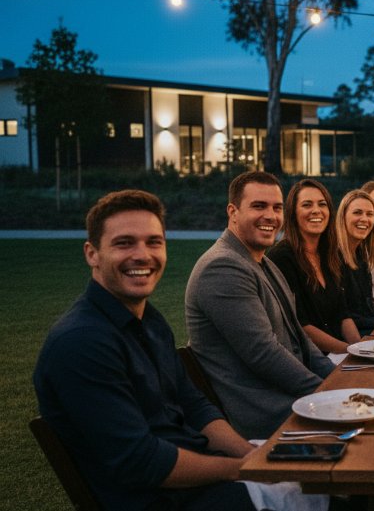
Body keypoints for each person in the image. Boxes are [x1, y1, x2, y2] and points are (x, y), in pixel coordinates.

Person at [33, 189, 325, 511]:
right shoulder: (81, 343)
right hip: (166, 498)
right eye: (124, 243)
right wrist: (242, 469)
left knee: (326, 459)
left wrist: (247, 454)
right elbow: (143, 462)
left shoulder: (149, 320)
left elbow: (194, 405)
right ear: (92, 253)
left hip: (200, 471)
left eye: (153, 242)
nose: (142, 255)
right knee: (327, 487)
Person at [186, 172, 335, 439]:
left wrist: (338, 380)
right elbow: (263, 354)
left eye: (277, 208)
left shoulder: (263, 262)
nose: (271, 216)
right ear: (233, 211)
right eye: (259, 206)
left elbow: (301, 339)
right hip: (268, 415)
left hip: (293, 398)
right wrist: (328, 394)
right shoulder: (222, 267)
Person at [267, 179, 359, 355]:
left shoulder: (329, 254)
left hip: (340, 354)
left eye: (322, 204)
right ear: (293, 213)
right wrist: (350, 352)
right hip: (309, 359)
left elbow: (343, 314)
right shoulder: (281, 258)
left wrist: (363, 349)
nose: (316, 210)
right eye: (307, 205)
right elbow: (300, 325)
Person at [336, 189, 374, 337]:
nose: (364, 219)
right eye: (357, 213)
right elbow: (341, 315)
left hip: (371, 328)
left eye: (369, 214)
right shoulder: (333, 256)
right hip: (350, 341)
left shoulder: (360, 253)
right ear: (343, 216)